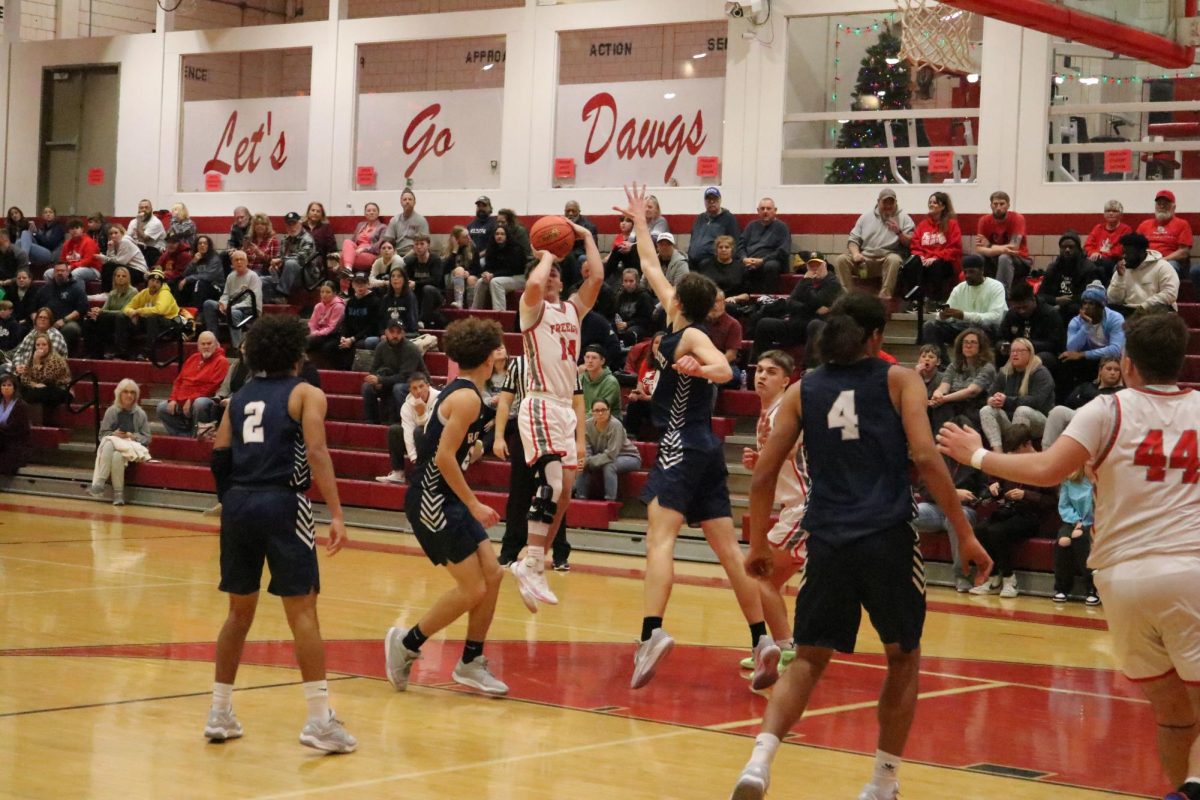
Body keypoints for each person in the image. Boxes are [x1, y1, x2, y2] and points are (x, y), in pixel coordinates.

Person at [730, 291, 991, 800]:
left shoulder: (805, 390)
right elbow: (926, 455)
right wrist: (964, 532)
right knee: (903, 658)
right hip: (887, 536)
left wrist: (757, 543)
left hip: (827, 538)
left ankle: (759, 761)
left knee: (807, 659)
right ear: (876, 336)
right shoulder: (899, 379)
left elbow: (762, 475)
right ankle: (882, 782)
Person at [937, 312, 1200, 800]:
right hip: (1190, 569)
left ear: (1129, 364)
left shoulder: (1107, 409)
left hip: (1122, 580)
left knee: (1173, 714)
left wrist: (976, 456)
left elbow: (1047, 467)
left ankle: (1182, 789)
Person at [616, 183, 771, 690]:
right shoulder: (675, 318)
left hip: (682, 442)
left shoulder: (694, 334)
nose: (666, 286)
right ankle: (762, 641)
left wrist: (704, 371)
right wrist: (641, 220)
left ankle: (651, 633)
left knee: (659, 540)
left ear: (681, 300)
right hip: (702, 448)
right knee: (728, 552)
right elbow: (652, 263)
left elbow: (726, 373)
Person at [204, 313, 355, 753]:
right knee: (303, 612)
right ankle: (318, 721)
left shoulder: (238, 397)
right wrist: (338, 513)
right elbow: (317, 451)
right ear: (297, 353)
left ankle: (219, 711)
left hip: (238, 503)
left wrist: (232, 502)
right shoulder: (306, 393)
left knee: (238, 614)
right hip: (284, 503)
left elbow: (219, 456)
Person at [383, 317, 509, 697]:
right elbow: (442, 459)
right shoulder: (467, 398)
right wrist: (473, 504)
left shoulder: (471, 393)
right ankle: (406, 643)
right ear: (488, 358)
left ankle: (471, 661)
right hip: (431, 498)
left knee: (494, 574)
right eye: (498, 349)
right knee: (472, 588)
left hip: (446, 495)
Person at [506, 219, 604, 611]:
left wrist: (587, 237)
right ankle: (530, 563)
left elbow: (596, 277)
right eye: (545, 275)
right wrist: (546, 252)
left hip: (564, 407)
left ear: (562, 283)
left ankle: (535, 562)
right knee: (550, 484)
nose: (547, 281)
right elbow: (532, 285)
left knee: (565, 493)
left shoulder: (572, 310)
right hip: (540, 401)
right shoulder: (531, 311)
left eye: (553, 278)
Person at [734, 350, 806, 677]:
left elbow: (790, 448)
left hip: (806, 506)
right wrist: (760, 460)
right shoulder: (767, 413)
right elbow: (775, 461)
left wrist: (765, 458)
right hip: (796, 507)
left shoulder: (783, 411)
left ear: (786, 380)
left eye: (771, 371)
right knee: (765, 581)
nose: (761, 376)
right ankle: (783, 646)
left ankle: (785, 646)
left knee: (759, 576)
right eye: (758, 370)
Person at [493, 353, 578, 571]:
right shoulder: (519, 364)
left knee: (555, 493)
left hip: (555, 427)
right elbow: (505, 400)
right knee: (519, 495)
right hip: (525, 429)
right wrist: (499, 436)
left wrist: (581, 442)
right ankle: (509, 552)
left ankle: (559, 554)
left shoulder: (564, 360)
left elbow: (579, 400)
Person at [751, 252, 842, 365]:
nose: (814, 269)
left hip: (813, 328)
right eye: (811, 265)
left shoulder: (832, 283)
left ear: (825, 265)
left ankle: (807, 368)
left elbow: (816, 301)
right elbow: (790, 303)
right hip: (796, 323)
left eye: (818, 265)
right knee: (764, 324)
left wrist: (807, 287)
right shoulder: (805, 281)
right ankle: (757, 365)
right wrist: (809, 307)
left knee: (813, 324)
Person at [921, 254, 1006, 364]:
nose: (967, 276)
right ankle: (943, 365)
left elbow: (996, 317)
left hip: (987, 330)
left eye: (971, 272)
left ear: (982, 270)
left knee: (976, 328)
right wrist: (943, 316)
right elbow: (948, 313)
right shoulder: (959, 288)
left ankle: (978, 367)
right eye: (965, 272)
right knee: (930, 326)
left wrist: (963, 315)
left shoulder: (996, 286)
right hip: (962, 328)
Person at [833, 188, 914, 300]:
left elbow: (911, 243)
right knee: (841, 260)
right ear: (878, 201)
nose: (888, 206)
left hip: (886, 259)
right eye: (885, 202)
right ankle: (848, 297)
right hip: (864, 260)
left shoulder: (905, 218)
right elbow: (853, 240)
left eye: (891, 202)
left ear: (896, 202)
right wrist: (856, 254)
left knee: (894, 259)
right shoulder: (865, 217)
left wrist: (898, 232)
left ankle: (885, 296)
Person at [978, 337, 1055, 451]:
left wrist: (1007, 401)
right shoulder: (1004, 372)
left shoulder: (1041, 372)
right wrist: (992, 400)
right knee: (986, 410)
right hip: (1011, 421)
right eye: (1012, 351)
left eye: (1020, 351)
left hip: (1040, 421)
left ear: (1030, 353)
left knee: (1022, 410)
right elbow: (991, 393)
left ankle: (1015, 453)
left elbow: (1037, 401)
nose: (1015, 354)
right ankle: (998, 453)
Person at [86, 378, 151, 506]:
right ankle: (118, 495)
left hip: (133, 449)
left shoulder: (140, 414)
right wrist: (113, 434)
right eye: (126, 392)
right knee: (115, 453)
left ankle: (100, 482)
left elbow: (147, 438)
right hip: (116, 448)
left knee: (110, 443)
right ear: (119, 394)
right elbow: (102, 435)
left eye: (132, 392)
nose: (129, 395)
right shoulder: (111, 411)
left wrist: (133, 436)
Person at [1057, 281, 1125, 397]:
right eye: (1084, 303)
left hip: (1111, 359)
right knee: (1065, 361)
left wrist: (1083, 354)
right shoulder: (1076, 321)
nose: (1086, 307)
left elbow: (1115, 349)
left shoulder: (1115, 319)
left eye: (1092, 304)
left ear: (1101, 306)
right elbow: (1072, 348)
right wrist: (1086, 326)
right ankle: (1069, 398)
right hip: (1090, 359)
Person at [1041, 356, 1124, 450]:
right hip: (1078, 414)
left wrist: (1084, 399)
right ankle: (1046, 451)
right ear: (1100, 370)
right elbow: (1070, 401)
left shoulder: (1121, 392)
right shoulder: (1086, 386)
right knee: (1058, 411)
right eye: (1109, 369)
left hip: (1100, 420)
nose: (1113, 372)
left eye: (1117, 370)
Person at [156, 331, 228, 437]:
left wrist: (192, 399)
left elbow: (213, 386)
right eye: (203, 344)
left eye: (209, 343)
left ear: (216, 344)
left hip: (205, 399)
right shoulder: (193, 358)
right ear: (198, 346)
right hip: (183, 399)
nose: (206, 346)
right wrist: (173, 399)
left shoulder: (222, 361)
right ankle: (185, 436)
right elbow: (179, 381)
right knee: (162, 408)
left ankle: (196, 437)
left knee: (199, 403)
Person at [376, 372, 440, 485]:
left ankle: (426, 472)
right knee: (395, 430)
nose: (419, 391)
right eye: (414, 388)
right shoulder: (407, 406)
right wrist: (413, 456)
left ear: (428, 386)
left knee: (420, 430)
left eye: (421, 386)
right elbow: (407, 431)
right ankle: (398, 472)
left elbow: (433, 428)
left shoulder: (439, 399)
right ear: (410, 390)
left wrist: (421, 414)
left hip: (438, 441)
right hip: (418, 440)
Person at [928, 328, 996, 430]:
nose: (968, 346)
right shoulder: (954, 366)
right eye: (965, 342)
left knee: (957, 416)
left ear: (980, 347)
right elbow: (944, 386)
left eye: (973, 343)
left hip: (975, 407)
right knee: (934, 407)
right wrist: (937, 395)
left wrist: (944, 399)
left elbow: (972, 391)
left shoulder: (987, 367)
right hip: (953, 404)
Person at [572, 398, 640, 501]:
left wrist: (588, 461)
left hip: (628, 457)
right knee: (583, 463)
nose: (600, 413)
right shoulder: (587, 425)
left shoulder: (615, 425)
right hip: (602, 457)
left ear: (609, 411)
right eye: (596, 410)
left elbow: (611, 454)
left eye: (603, 410)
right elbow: (587, 449)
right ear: (592, 412)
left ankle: (610, 501)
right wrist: (585, 460)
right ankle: (580, 498)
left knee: (609, 466)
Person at [361, 320, 423, 424]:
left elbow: (405, 377)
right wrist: (375, 380)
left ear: (403, 333)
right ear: (386, 332)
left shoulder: (411, 349)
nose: (395, 335)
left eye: (398, 332)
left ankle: (404, 421)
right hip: (390, 380)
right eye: (392, 332)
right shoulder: (381, 346)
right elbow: (373, 369)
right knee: (367, 386)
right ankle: (371, 422)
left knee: (398, 388)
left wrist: (381, 380)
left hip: (414, 383)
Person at [1035, 231, 1103, 324]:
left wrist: (1064, 304)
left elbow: (1090, 297)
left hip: (1078, 310)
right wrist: (1056, 300)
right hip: (1054, 308)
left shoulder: (1089, 268)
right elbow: (1040, 295)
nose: (1067, 250)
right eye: (1063, 247)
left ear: (1078, 249)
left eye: (1071, 247)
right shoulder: (1053, 268)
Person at [996, 280, 1065, 370]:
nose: (1021, 311)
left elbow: (1055, 344)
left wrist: (1027, 346)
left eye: (1025, 307)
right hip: (1014, 351)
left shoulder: (1050, 314)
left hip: (1040, 352)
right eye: (1018, 308)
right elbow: (1000, 337)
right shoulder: (1012, 314)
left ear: (1033, 299)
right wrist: (1003, 345)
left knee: (1041, 359)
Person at [1053, 467, 1098, 605]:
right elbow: (1064, 506)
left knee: (1079, 536)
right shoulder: (1069, 479)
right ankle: (1061, 588)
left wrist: (1085, 524)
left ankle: (1092, 588)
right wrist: (1077, 521)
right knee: (1063, 541)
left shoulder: (1101, 480)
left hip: (1095, 522)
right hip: (1073, 520)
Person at [1107, 231, 1179, 316]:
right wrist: (1120, 278)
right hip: (1130, 311)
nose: (1124, 256)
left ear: (1141, 252)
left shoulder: (1163, 266)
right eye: (1123, 253)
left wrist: (1144, 306)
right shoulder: (1122, 269)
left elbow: (1170, 294)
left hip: (1154, 311)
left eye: (1128, 253)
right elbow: (1113, 300)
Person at [204, 250, 263, 349]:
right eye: (236, 260)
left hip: (248, 310)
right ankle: (214, 341)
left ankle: (237, 347)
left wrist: (230, 307)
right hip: (231, 307)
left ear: (247, 262)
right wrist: (223, 303)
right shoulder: (231, 276)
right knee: (208, 304)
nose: (239, 262)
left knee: (233, 313)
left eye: (241, 260)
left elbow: (252, 300)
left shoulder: (253, 277)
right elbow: (226, 294)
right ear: (232, 263)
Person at [974, 190, 1030, 292]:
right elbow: (979, 249)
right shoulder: (983, 220)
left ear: (1008, 205)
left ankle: (1001, 295)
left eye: (1002, 204)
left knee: (1004, 257)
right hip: (994, 257)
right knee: (978, 258)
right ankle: (976, 291)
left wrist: (990, 245)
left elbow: (1013, 248)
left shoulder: (1018, 218)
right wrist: (999, 249)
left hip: (1019, 260)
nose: (998, 207)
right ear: (991, 205)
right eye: (995, 204)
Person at [120, 269, 180, 361]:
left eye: (157, 282)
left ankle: (148, 353)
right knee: (123, 317)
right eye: (152, 281)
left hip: (170, 322)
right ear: (148, 282)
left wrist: (138, 311)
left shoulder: (165, 293)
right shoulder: (144, 292)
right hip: (152, 322)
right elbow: (127, 307)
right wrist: (132, 313)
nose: (154, 284)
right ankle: (122, 352)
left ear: (161, 285)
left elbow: (160, 310)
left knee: (153, 318)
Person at [1135, 189, 1193, 280]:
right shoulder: (1144, 225)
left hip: (1170, 261)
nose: (1162, 206)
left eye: (1165, 203)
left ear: (1173, 207)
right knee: (1124, 267)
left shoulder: (1182, 224)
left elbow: (1184, 252)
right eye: (1159, 203)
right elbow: (1135, 246)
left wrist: (1163, 259)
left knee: (1167, 267)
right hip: (1146, 260)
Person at [738, 198, 791, 295]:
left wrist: (763, 261)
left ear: (775, 211)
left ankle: (767, 300)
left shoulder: (782, 227)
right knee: (735, 266)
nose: (765, 211)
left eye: (768, 208)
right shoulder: (751, 226)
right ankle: (743, 301)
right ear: (758, 211)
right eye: (762, 209)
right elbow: (740, 245)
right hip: (750, 261)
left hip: (770, 262)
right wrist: (744, 258)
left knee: (771, 266)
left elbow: (783, 251)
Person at [84, 266, 137, 359]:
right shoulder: (113, 293)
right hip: (112, 321)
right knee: (90, 319)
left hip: (127, 322)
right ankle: (94, 353)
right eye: (118, 276)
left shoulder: (133, 292)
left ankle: (121, 352)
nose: (120, 278)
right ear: (114, 278)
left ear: (128, 278)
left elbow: (125, 311)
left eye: (123, 276)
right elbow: (104, 309)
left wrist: (102, 312)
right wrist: (96, 312)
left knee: (117, 316)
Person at [34, 262, 88, 353]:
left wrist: (64, 320)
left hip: (68, 322)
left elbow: (81, 309)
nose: (60, 273)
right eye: (57, 271)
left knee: (71, 329)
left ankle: (59, 355)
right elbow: (33, 308)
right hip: (46, 322)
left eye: (62, 271)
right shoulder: (45, 289)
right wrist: (37, 321)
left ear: (68, 272)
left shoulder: (76, 289)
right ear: (53, 273)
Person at [18, 333, 71, 423]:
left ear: (49, 346)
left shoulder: (56, 359)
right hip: (41, 388)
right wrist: (33, 384)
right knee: (22, 386)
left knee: (36, 393)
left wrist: (36, 364)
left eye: (44, 344)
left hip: (60, 389)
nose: (40, 347)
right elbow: (24, 377)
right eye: (38, 345)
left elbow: (46, 379)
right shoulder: (33, 357)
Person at [472, 224, 527, 311]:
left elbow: (511, 270)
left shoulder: (516, 248)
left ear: (507, 236)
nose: (499, 236)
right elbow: (488, 266)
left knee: (495, 282)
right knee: (480, 282)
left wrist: (493, 275)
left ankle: (500, 315)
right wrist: (486, 273)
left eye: (502, 234)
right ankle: (474, 312)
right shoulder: (491, 248)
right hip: (499, 276)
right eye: (497, 234)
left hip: (518, 277)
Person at [264, 211, 316, 302]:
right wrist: (275, 266)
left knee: (291, 263)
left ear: (300, 223)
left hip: (306, 275)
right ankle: (264, 304)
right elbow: (279, 256)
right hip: (286, 274)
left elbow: (301, 259)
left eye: (294, 223)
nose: (292, 227)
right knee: (261, 280)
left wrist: (281, 260)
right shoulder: (285, 239)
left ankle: (282, 295)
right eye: (289, 224)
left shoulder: (307, 239)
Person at [688, 186, 741, 266]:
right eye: (708, 200)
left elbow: (735, 243)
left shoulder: (729, 218)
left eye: (715, 199)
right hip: (692, 261)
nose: (712, 202)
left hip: (712, 263)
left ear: (720, 200)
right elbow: (693, 238)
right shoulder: (700, 218)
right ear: (705, 202)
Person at [403, 233, 446, 328]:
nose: (419, 247)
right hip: (418, 294)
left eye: (422, 244)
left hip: (437, 294)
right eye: (416, 244)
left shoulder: (435, 260)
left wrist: (416, 284)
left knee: (428, 289)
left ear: (428, 245)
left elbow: (435, 280)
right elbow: (406, 278)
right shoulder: (410, 261)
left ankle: (421, 321)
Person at [704, 290, 745, 389]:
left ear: (723, 303)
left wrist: (712, 366)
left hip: (726, 364)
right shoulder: (699, 322)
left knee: (713, 379)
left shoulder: (733, 324)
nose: (713, 305)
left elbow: (731, 355)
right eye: (710, 301)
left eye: (716, 301)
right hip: (702, 362)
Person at [1083, 199, 1131, 282]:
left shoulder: (1126, 229)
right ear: (1104, 214)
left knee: (1100, 268)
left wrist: (1101, 254)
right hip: (1095, 259)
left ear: (1120, 215)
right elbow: (1088, 245)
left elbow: (1121, 250)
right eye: (1108, 211)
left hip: (1114, 261)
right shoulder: (1098, 228)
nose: (1111, 213)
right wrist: (1093, 252)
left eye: (1114, 211)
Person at [176, 234, 224, 308]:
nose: (202, 245)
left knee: (199, 283)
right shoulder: (196, 257)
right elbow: (185, 274)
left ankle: (197, 312)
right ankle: (180, 310)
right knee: (179, 282)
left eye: (205, 243)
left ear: (209, 246)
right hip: (199, 286)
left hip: (215, 287)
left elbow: (208, 276)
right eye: (200, 243)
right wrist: (194, 262)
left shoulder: (214, 258)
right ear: (196, 246)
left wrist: (187, 279)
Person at [98, 223, 148, 289]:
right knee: (108, 266)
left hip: (139, 271)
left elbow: (120, 262)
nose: (113, 235)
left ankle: (107, 292)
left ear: (121, 233)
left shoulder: (125, 242)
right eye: (111, 234)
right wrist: (110, 248)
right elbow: (111, 259)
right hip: (128, 267)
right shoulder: (114, 243)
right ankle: (110, 292)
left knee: (108, 267)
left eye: (116, 233)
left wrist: (104, 257)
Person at [579, 344, 621, 420]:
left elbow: (601, 410)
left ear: (602, 361)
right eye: (587, 357)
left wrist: (578, 421)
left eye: (594, 358)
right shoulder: (580, 379)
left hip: (607, 421)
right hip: (584, 420)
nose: (590, 361)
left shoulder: (611, 382)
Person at [614, 268, 654, 347]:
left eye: (631, 281)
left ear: (637, 282)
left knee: (630, 333)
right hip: (623, 324)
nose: (628, 284)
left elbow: (647, 319)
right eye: (625, 281)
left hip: (641, 326)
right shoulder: (620, 295)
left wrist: (627, 324)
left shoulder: (644, 296)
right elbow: (615, 313)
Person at [382, 188, 428, 257]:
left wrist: (405, 258)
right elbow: (388, 240)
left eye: (410, 199)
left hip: (414, 254)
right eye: (405, 199)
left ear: (414, 202)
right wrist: (394, 254)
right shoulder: (394, 220)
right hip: (396, 253)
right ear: (401, 202)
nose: (407, 201)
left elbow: (424, 244)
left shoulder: (421, 220)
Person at [0, 374, 31, 475]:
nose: (6, 388)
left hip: (15, 446)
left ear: (15, 388)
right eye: (3, 385)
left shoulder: (21, 406)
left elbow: (16, 430)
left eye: (9, 385)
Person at [305, 281, 345, 355]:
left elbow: (332, 328)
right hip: (318, 333)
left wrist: (317, 333)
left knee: (307, 341)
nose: (324, 295)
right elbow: (312, 323)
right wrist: (313, 332)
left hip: (332, 335)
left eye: (328, 292)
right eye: (322, 292)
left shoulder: (338, 306)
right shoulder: (318, 306)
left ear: (334, 293)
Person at [128, 200, 165, 266]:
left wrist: (139, 223)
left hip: (153, 252)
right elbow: (128, 238)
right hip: (137, 251)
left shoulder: (156, 222)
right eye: (141, 208)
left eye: (146, 207)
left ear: (151, 209)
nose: (144, 210)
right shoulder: (133, 222)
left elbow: (144, 239)